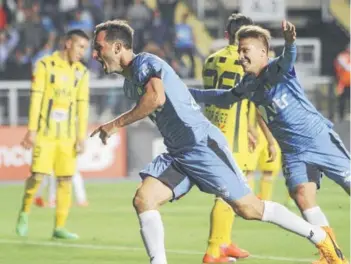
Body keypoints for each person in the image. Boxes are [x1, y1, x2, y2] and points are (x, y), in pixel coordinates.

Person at [91, 19, 346, 264]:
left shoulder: (145, 63)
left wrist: (114, 124)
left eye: (98, 47)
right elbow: (219, 98)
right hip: (178, 152)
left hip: (202, 146)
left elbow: (156, 99)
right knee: (144, 199)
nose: (94, 55)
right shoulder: (129, 84)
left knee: (249, 209)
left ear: (117, 47)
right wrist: (183, 90)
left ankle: (320, 236)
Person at [189, 21, 349, 264]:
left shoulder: (277, 69)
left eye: (246, 51)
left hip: (318, 140)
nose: (241, 56)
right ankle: (333, 256)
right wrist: (189, 93)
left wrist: (290, 42)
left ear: (263, 53)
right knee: (302, 195)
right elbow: (225, 98)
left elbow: (288, 58)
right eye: (239, 50)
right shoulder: (249, 85)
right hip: (293, 152)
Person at [16, 29, 90, 240]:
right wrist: (31, 130)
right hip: (46, 134)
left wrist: (81, 136)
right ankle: (24, 212)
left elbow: (82, 107)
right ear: (68, 43)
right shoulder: (45, 66)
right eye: (80, 46)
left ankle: (59, 226)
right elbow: (36, 99)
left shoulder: (82, 73)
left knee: (65, 180)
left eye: (85, 48)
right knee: (38, 176)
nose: (82, 52)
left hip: (67, 137)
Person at [201, 13, 254, 263]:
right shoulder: (246, 61)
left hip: (213, 128)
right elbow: (253, 99)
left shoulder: (211, 59)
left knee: (234, 189)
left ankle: (224, 241)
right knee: (228, 192)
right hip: (232, 136)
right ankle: (213, 251)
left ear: (226, 35)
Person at [334, 44, 350, 122]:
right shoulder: (342, 56)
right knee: (342, 100)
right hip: (343, 83)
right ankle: (341, 117)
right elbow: (346, 67)